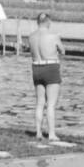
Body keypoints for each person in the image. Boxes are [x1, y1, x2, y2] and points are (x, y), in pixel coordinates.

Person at [28, 11, 66, 140]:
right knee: (51, 104)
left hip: (36, 67)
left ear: (37, 22)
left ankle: (38, 132)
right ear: (48, 22)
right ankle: (51, 133)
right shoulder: (53, 35)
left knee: (39, 103)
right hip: (51, 67)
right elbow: (63, 51)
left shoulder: (31, 36)